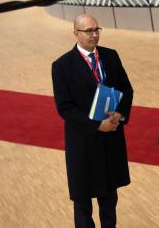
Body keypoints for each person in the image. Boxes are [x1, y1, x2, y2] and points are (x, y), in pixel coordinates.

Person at [52, 14, 134, 228]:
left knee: (109, 200)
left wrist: (120, 114)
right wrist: (98, 125)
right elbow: (65, 108)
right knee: (82, 204)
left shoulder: (111, 56)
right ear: (76, 34)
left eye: (97, 30)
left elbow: (127, 89)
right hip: (83, 144)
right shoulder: (61, 66)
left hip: (110, 141)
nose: (94, 35)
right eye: (89, 31)